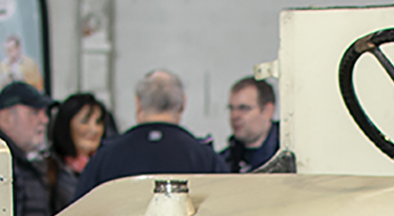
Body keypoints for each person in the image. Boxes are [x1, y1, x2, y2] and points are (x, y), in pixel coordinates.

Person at [76, 70, 226, 196]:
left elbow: (78, 215)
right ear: (183, 104)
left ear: (138, 103)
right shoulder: (206, 159)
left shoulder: (104, 158)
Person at [0, 81, 70, 216]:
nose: (44, 120)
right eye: (34, 112)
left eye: (45, 113)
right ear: (6, 117)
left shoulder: (17, 161)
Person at [47, 93, 116, 198]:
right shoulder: (49, 169)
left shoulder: (109, 166)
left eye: (98, 122)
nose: (94, 130)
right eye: (85, 121)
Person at [222, 76, 280, 172]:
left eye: (243, 108)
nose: (234, 115)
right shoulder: (225, 161)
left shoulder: (290, 159)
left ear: (267, 111)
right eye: (231, 108)